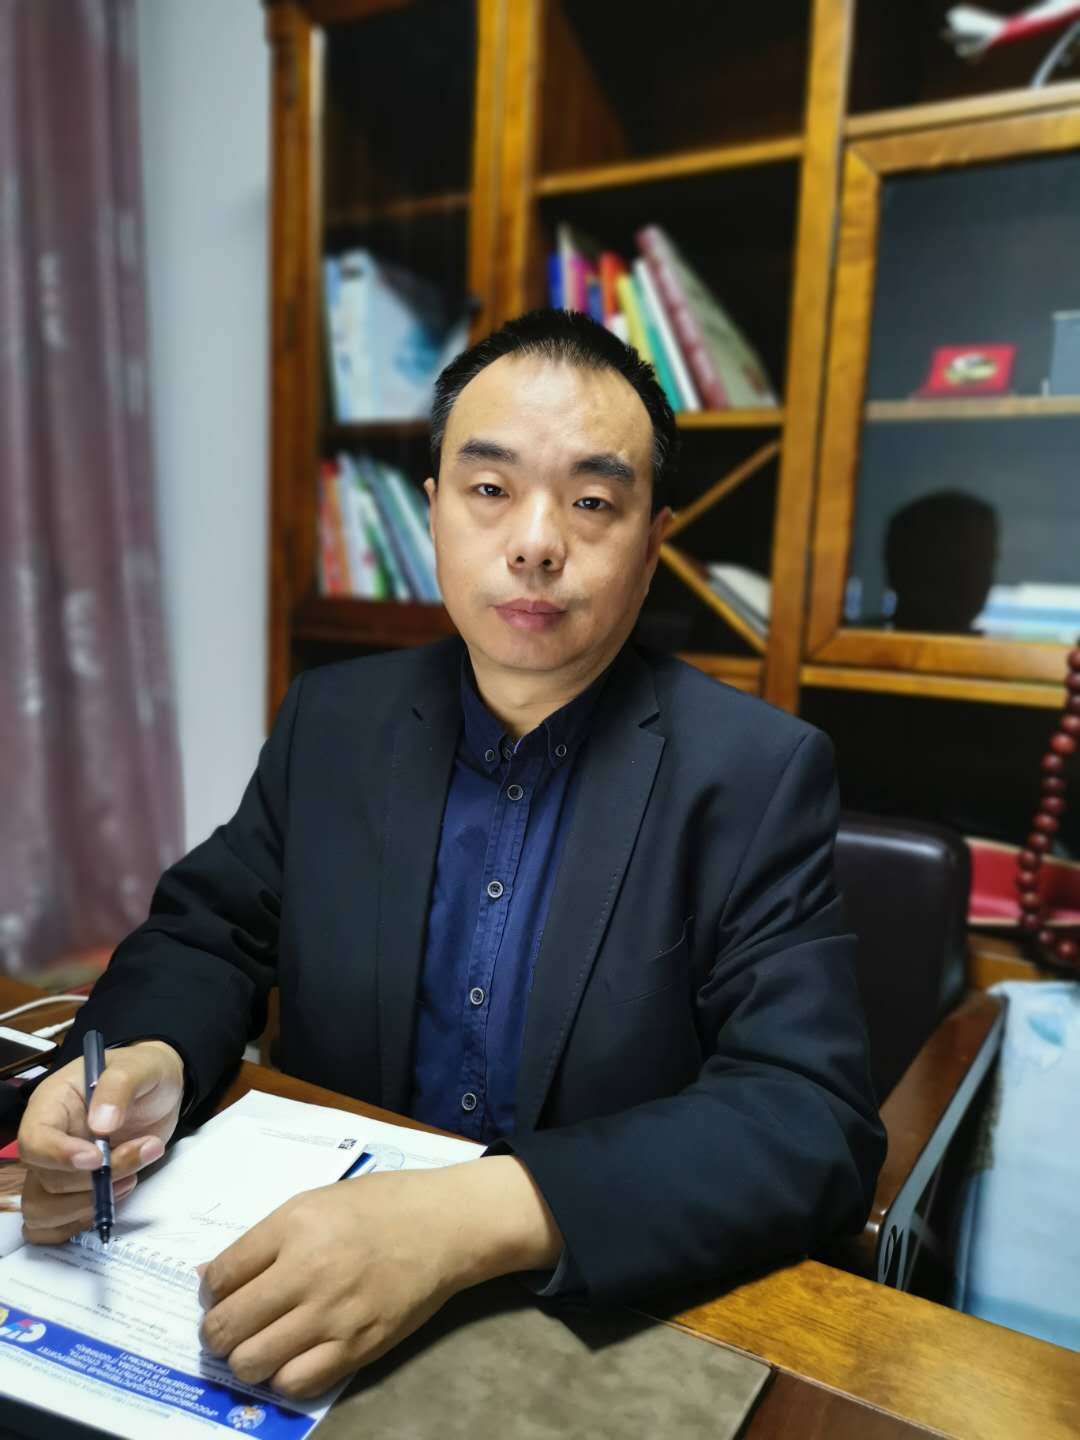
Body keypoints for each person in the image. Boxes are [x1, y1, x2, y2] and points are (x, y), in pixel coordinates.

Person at [17, 309, 885, 1399]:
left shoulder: (755, 773)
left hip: (576, 1318)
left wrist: (474, 1215)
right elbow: (210, 930)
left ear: (653, 539)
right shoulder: (336, 720)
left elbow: (812, 1120)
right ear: (432, 508)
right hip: (311, 1282)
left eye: (593, 501)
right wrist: (148, 1060)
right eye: (489, 488)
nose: (535, 540)